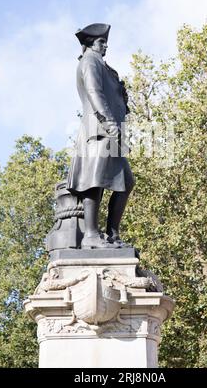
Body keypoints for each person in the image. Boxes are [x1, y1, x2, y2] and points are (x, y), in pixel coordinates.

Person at [66, 23, 135, 249]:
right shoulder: (89, 61)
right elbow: (95, 93)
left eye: (105, 42)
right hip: (99, 132)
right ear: (90, 44)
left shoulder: (104, 66)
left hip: (110, 134)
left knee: (125, 182)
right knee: (94, 182)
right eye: (101, 42)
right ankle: (91, 236)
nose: (105, 46)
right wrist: (109, 123)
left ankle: (112, 234)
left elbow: (111, 96)